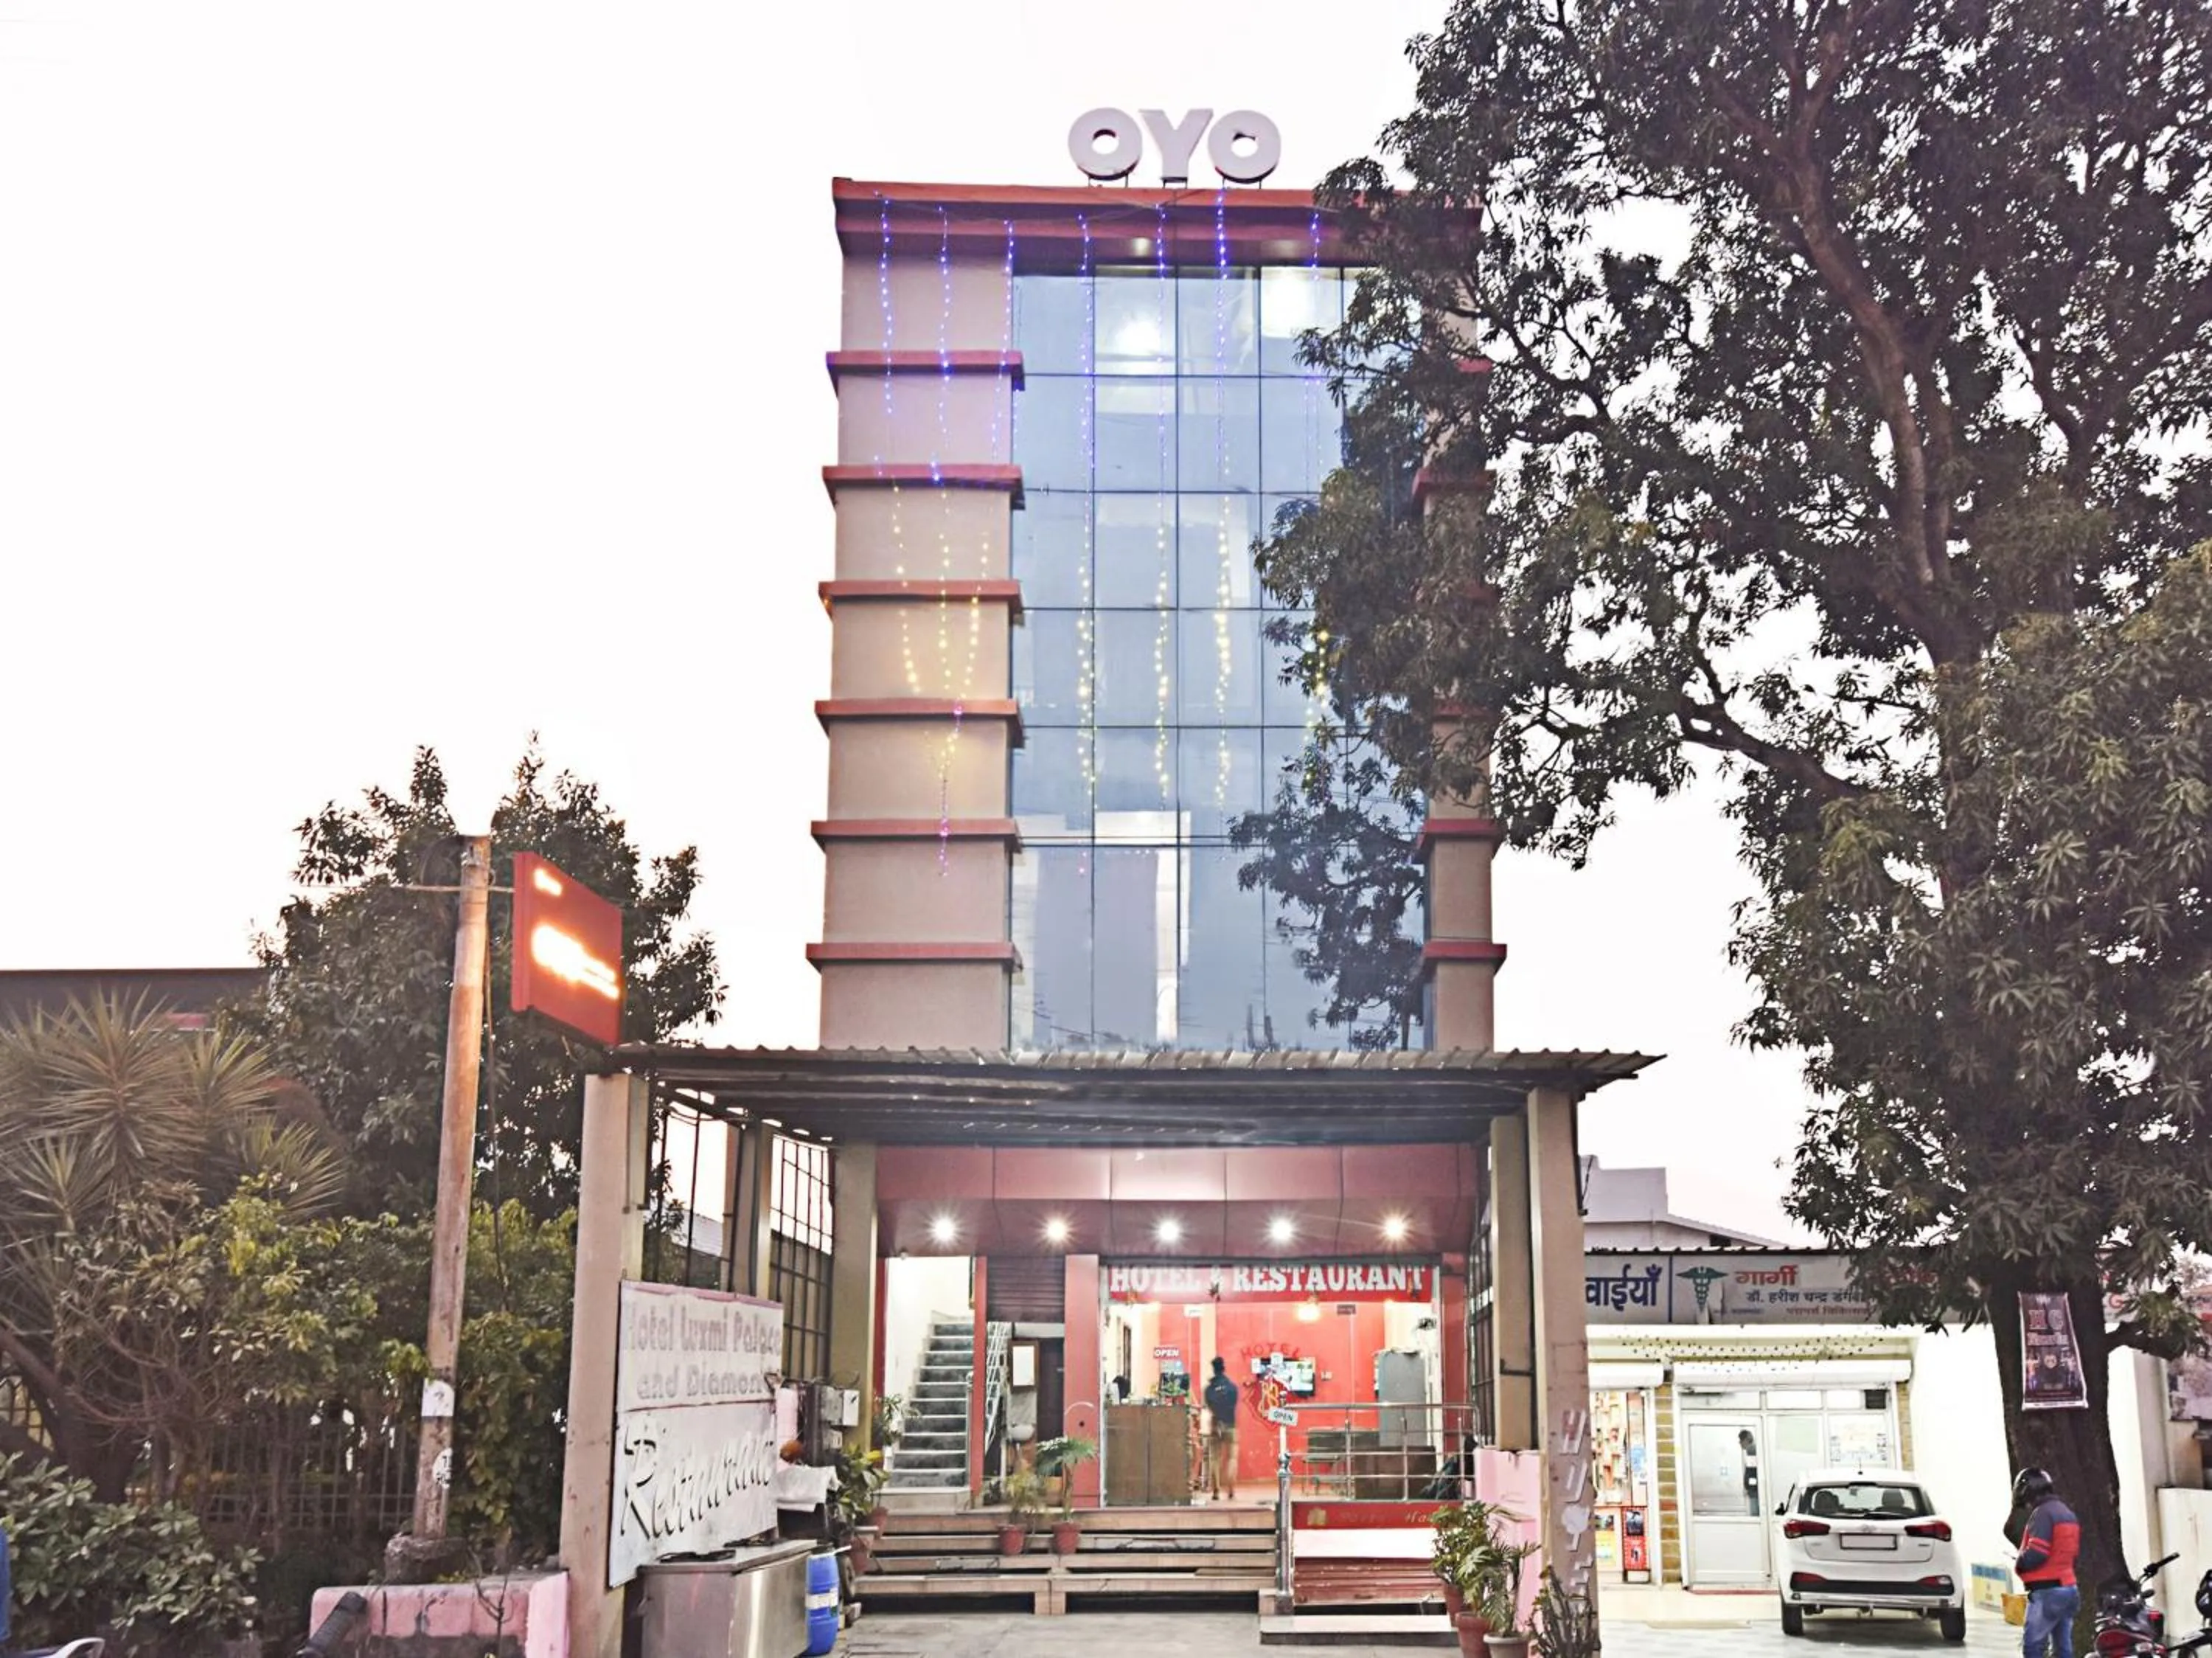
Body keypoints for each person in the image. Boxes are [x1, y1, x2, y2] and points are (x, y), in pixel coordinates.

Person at [2013, 1466, 2081, 1658]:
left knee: (2033, 1647)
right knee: (2062, 1648)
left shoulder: (2043, 1514)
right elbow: (2070, 1553)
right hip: (2068, 1588)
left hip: (2047, 1591)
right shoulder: (2067, 1513)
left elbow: (2037, 1552)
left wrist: (2020, 1562)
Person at [1203, 1357, 1242, 1502]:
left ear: (1214, 1369)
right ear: (1224, 1368)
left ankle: (1216, 1490)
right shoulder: (1232, 1387)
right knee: (1232, 1457)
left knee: (1214, 1458)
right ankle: (1231, 1488)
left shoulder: (1209, 1389)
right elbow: (1234, 1404)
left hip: (1215, 1425)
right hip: (1230, 1424)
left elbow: (1209, 1406)